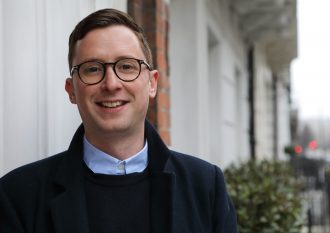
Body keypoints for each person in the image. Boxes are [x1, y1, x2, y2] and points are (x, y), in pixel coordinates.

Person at [0, 8, 238, 233]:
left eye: (126, 66)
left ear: (152, 83)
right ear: (71, 90)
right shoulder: (17, 195)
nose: (111, 84)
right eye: (92, 69)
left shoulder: (205, 186)